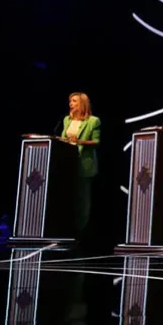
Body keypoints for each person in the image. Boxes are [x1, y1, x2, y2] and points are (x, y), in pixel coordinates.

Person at [61, 92, 101, 236]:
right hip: (68, 163)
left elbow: (97, 142)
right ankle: (67, 227)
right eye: (70, 101)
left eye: (74, 101)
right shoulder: (67, 120)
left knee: (82, 198)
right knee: (68, 196)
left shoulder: (93, 121)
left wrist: (80, 142)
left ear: (82, 104)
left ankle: (80, 230)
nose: (70, 103)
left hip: (84, 164)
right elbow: (63, 138)